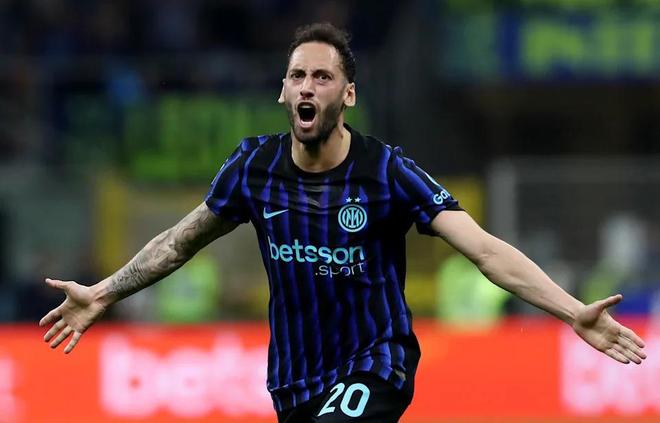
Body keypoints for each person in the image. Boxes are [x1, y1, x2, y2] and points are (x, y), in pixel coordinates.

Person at [39, 23, 646, 422]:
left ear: (347, 95)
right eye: (297, 76)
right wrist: (103, 293)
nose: (308, 87)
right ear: (283, 92)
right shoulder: (253, 168)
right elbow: (177, 243)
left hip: (376, 365)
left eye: (322, 77)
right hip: (294, 382)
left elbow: (485, 250)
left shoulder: (385, 172)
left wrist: (573, 311)